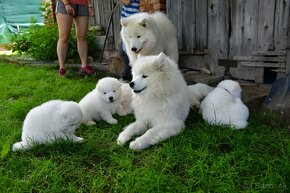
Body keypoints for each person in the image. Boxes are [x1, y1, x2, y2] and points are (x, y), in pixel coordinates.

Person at [56, 0, 95, 76]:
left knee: (82, 37)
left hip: (82, 4)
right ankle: (62, 68)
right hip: (65, 4)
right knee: (64, 37)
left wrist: (89, 6)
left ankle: (84, 66)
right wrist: (66, 4)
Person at [119, 0, 140, 83]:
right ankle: (129, 75)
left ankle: (126, 76)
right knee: (123, 50)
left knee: (126, 50)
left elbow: (127, 2)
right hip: (127, 25)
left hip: (132, 25)